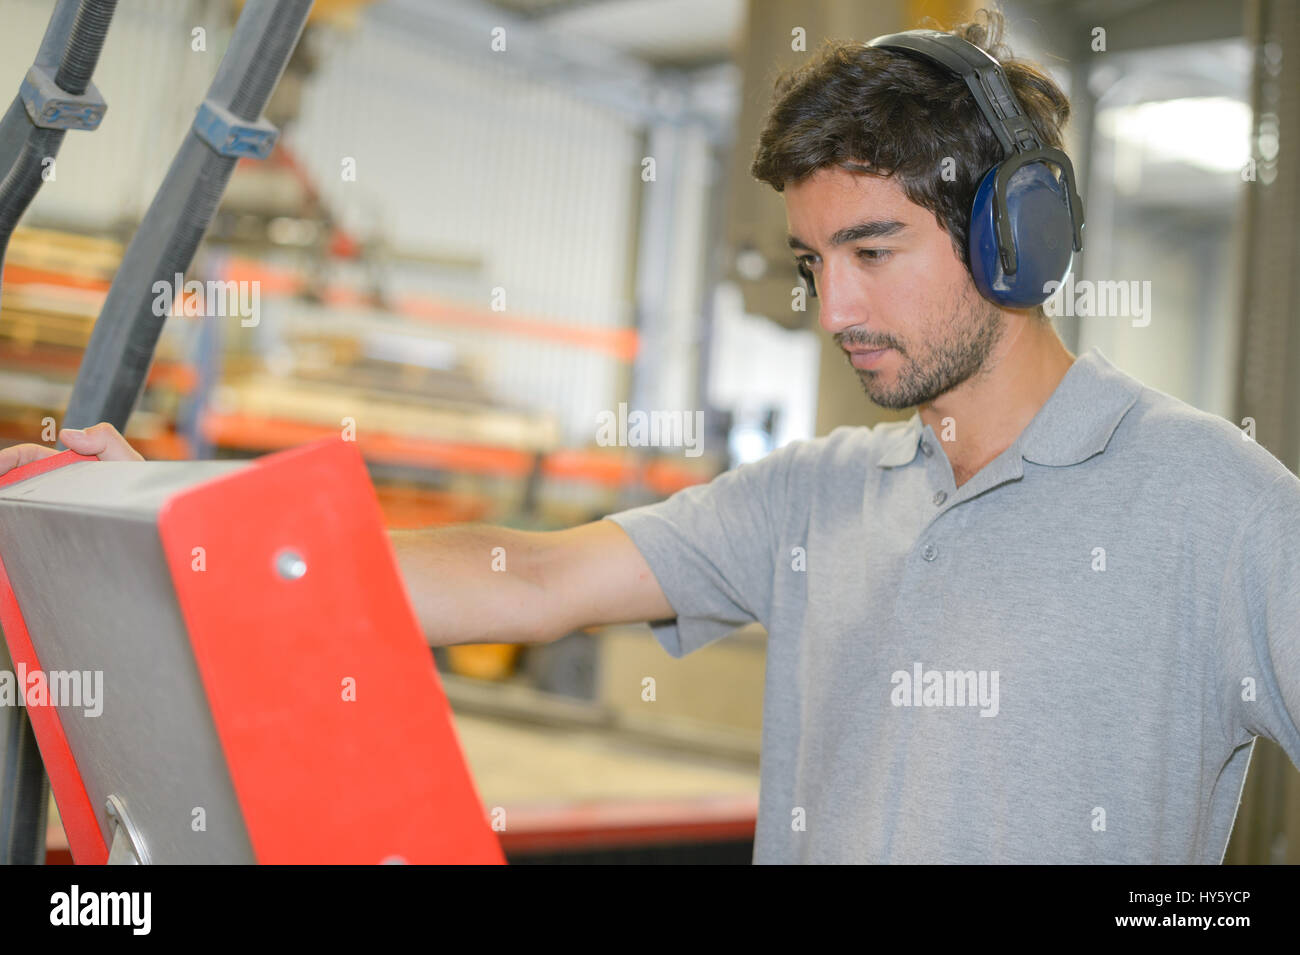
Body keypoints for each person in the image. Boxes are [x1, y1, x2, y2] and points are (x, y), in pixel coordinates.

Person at [3, 9, 1298, 865]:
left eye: (874, 249)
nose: (831, 309)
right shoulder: (819, 496)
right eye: (811, 260)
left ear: (1023, 237)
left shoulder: (1215, 503)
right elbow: (537, 573)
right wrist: (192, 516)